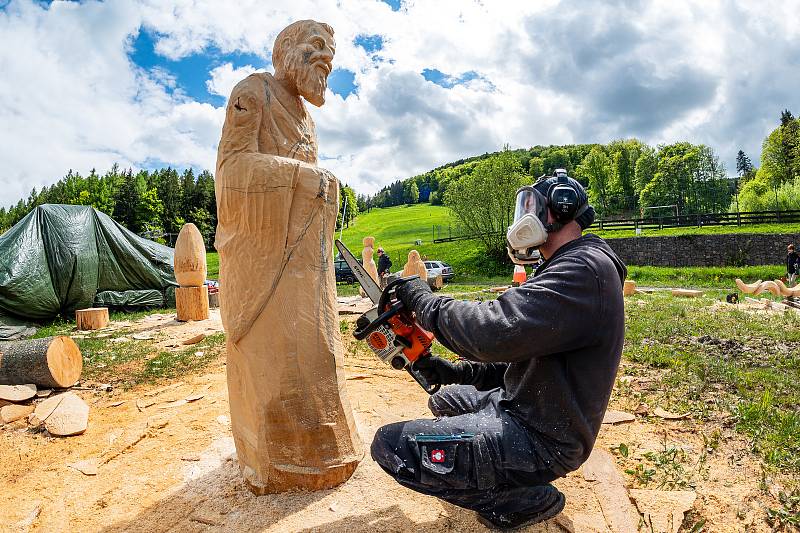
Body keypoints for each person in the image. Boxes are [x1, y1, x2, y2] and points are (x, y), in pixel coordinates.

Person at [370, 171, 627, 529]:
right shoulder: (566, 267)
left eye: (532, 206)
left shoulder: (583, 271)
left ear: (561, 207)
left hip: (546, 436)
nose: (525, 216)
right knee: (445, 400)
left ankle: (524, 500)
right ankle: (506, 472)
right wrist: (454, 372)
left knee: (392, 446)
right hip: (527, 408)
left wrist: (425, 302)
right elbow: (517, 356)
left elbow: (494, 330)